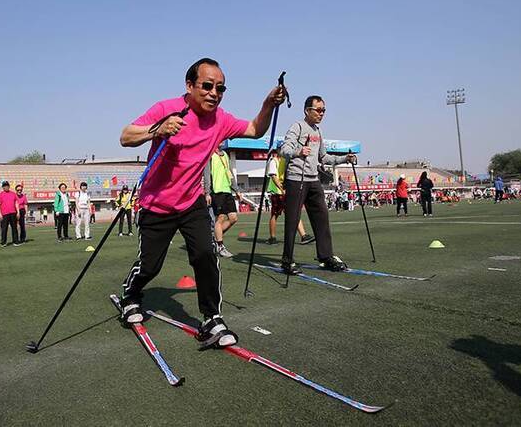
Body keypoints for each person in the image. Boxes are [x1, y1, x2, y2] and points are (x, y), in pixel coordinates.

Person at [116, 57, 286, 348]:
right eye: (207, 86)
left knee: (206, 256)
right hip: (156, 204)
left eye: (220, 88)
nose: (213, 93)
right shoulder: (166, 108)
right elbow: (125, 137)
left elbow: (255, 129)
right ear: (190, 85)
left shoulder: (220, 119)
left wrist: (268, 103)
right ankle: (130, 296)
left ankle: (212, 318)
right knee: (150, 266)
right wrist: (157, 129)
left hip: (192, 202)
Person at [279, 95, 356, 274]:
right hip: (296, 178)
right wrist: (299, 151)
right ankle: (287, 260)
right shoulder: (297, 126)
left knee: (322, 217)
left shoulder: (318, 132)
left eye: (324, 111)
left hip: (313, 180)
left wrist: (345, 158)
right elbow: (284, 149)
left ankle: (325, 256)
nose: (322, 114)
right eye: (318, 110)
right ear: (308, 110)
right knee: (292, 220)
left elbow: (324, 157)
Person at [265, 149, 314, 245]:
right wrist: (281, 188)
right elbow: (273, 176)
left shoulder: (284, 160)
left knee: (293, 212)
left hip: (285, 191)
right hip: (277, 192)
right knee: (275, 214)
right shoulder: (274, 161)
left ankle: (303, 236)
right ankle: (273, 237)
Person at [203, 144, 243, 257]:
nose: (223, 141)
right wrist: (207, 193)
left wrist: (237, 190)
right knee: (220, 218)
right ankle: (220, 246)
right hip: (216, 191)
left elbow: (229, 173)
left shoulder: (225, 154)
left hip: (227, 191)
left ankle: (215, 238)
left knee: (233, 218)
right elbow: (206, 174)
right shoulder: (210, 154)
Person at [0, 181, 21, 247]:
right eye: (4, 186)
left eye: (7, 186)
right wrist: (0, 214)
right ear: (2, 187)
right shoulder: (0, 195)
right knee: (4, 229)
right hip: (4, 214)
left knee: (14, 228)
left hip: (13, 213)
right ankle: (3, 242)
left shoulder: (13, 194)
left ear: (9, 186)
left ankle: (15, 241)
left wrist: (18, 212)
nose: (6, 187)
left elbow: (16, 203)